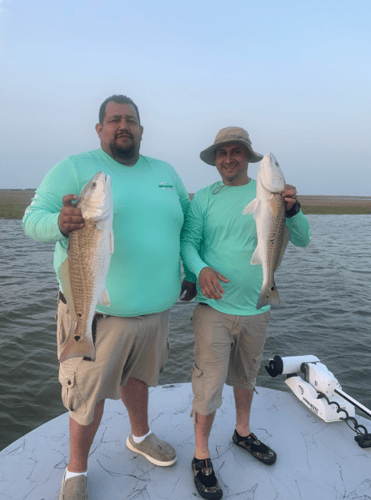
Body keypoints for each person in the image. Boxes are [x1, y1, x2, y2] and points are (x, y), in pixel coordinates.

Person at [22, 95, 196, 500]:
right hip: (94, 312)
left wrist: (191, 269)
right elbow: (32, 219)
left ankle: (140, 435)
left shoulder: (166, 172)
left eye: (130, 120)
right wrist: (58, 223)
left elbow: (187, 226)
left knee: (140, 379)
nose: (123, 126)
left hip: (154, 312)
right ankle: (75, 471)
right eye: (114, 119)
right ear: (99, 128)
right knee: (88, 395)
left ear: (141, 129)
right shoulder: (75, 168)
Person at [180, 126, 311, 499]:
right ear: (215, 159)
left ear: (249, 158)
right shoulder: (204, 198)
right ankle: (201, 454)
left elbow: (303, 238)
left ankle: (242, 432)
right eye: (222, 153)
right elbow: (188, 243)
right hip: (214, 308)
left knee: (246, 376)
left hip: (257, 306)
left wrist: (294, 210)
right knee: (208, 384)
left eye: (236, 152)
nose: (229, 158)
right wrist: (199, 270)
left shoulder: (272, 196)